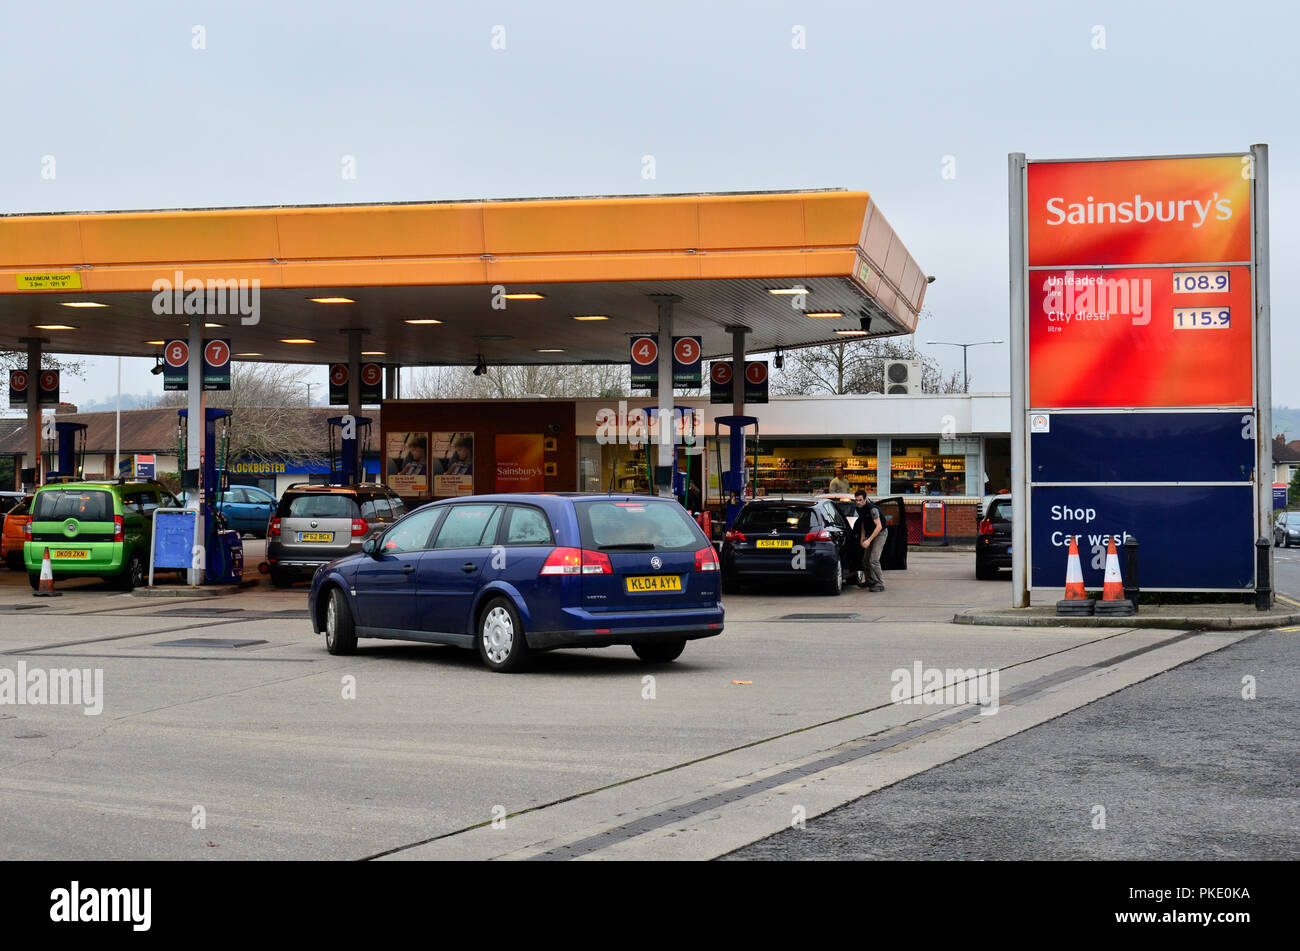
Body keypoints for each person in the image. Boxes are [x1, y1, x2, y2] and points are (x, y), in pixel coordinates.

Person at [854, 489, 887, 591]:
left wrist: (869, 540)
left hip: (880, 533)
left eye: (860, 500)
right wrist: (862, 537)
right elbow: (864, 522)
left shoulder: (872, 509)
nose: (858, 502)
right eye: (856, 500)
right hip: (871, 533)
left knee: (873, 559)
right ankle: (870, 581)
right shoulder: (859, 508)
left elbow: (879, 526)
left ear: (865, 499)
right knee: (865, 560)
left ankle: (880, 584)